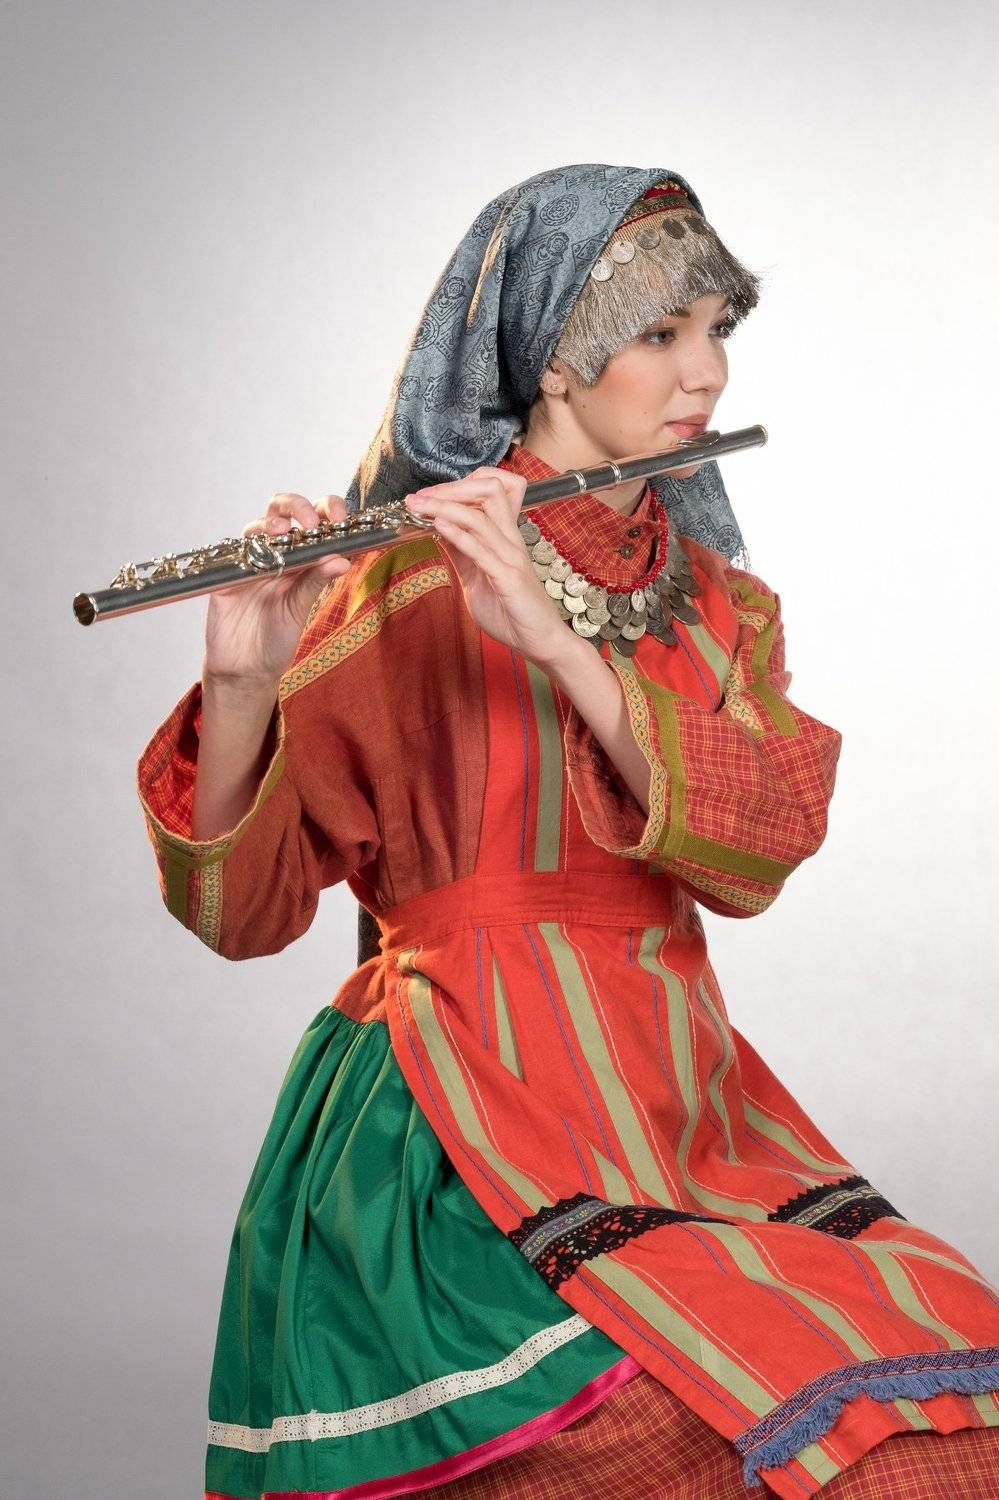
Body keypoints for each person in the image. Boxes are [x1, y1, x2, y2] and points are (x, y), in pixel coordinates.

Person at [137, 165, 999, 1499]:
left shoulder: (718, 605)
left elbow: (760, 852)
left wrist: (554, 641)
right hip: (458, 1131)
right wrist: (245, 677)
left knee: (941, 1435)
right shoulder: (401, 577)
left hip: (684, 1113)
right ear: (552, 358)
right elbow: (236, 917)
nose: (706, 372)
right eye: (661, 333)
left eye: (717, 330)